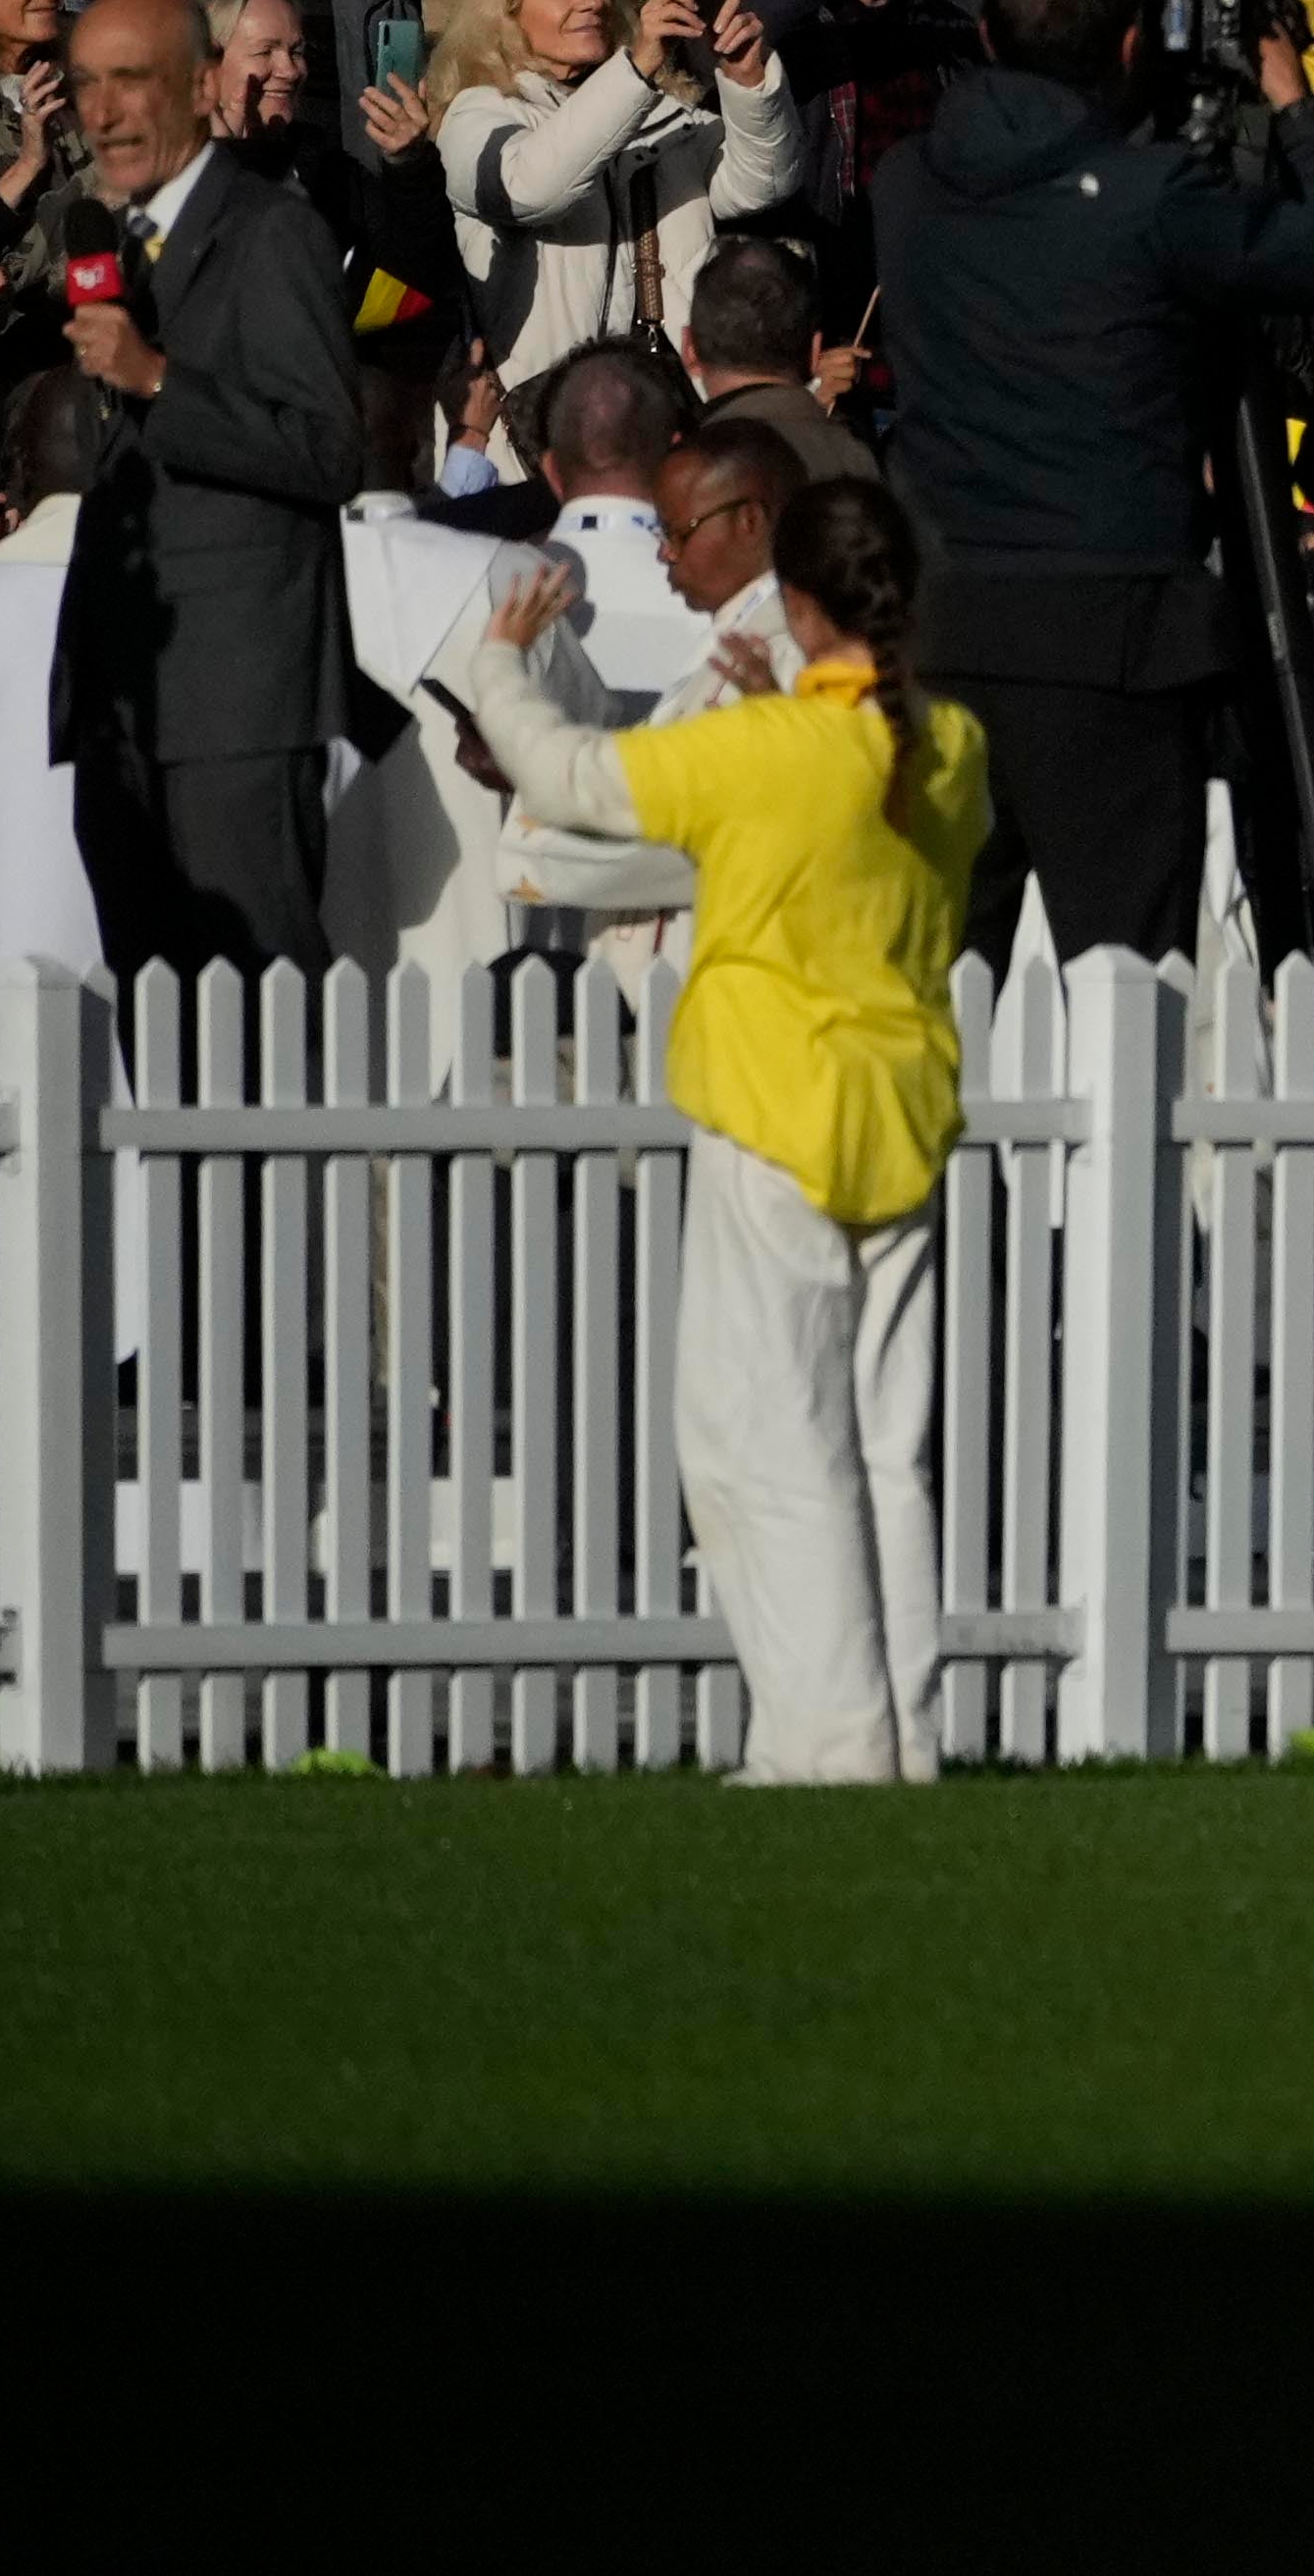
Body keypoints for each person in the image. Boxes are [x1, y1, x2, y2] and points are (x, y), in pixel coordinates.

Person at [411, 471, 982, 1786]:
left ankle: (831, 1746)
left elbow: (565, 773)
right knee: (886, 1449)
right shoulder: (945, 748)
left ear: (792, 602)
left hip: (772, 1116)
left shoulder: (768, 751)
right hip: (901, 1111)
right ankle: (897, 1735)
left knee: (765, 1442)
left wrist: (502, 661)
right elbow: (858, 791)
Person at [47, 0, 366, 973]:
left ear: (199, 86)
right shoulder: (108, 240)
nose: (102, 110)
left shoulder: (273, 230)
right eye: (86, 82)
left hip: (238, 697)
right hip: (122, 691)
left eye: (131, 79)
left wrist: (158, 379)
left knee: (260, 1005)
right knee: (156, 1009)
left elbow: (329, 449)